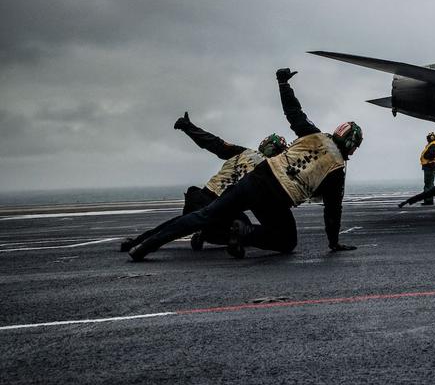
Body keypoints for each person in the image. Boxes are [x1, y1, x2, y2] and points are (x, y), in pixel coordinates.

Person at [127, 69, 362, 261]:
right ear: (350, 143)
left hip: (256, 179)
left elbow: (293, 112)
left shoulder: (314, 134)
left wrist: (283, 84)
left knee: (204, 216)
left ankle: (144, 246)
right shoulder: (337, 168)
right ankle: (245, 232)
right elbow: (332, 211)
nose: (354, 151)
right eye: (355, 146)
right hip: (277, 197)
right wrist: (334, 242)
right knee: (286, 241)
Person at [119, 113, 287, 252]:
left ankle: (137, 242)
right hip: (222, 205)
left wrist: (188, 127)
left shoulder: (243, 152)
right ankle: (205, 233)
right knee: (244, 230)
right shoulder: (272, 171)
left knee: (179, 223)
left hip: (201, 198)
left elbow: (213, 142)